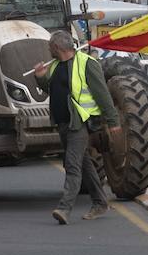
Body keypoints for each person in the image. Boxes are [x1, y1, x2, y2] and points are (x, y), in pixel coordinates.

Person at [32, 31, 119, 225]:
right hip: (63, 123)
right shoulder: (55, 65)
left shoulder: (87, 64)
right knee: (84, 164)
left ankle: (64, 208)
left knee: (72, 164)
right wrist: (40, 77)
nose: (48, 50)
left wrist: (113, 122)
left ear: (57, 48)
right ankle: (100, 202)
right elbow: (52, 89)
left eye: (50, 47)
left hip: (79, 123)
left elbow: (103, 95)